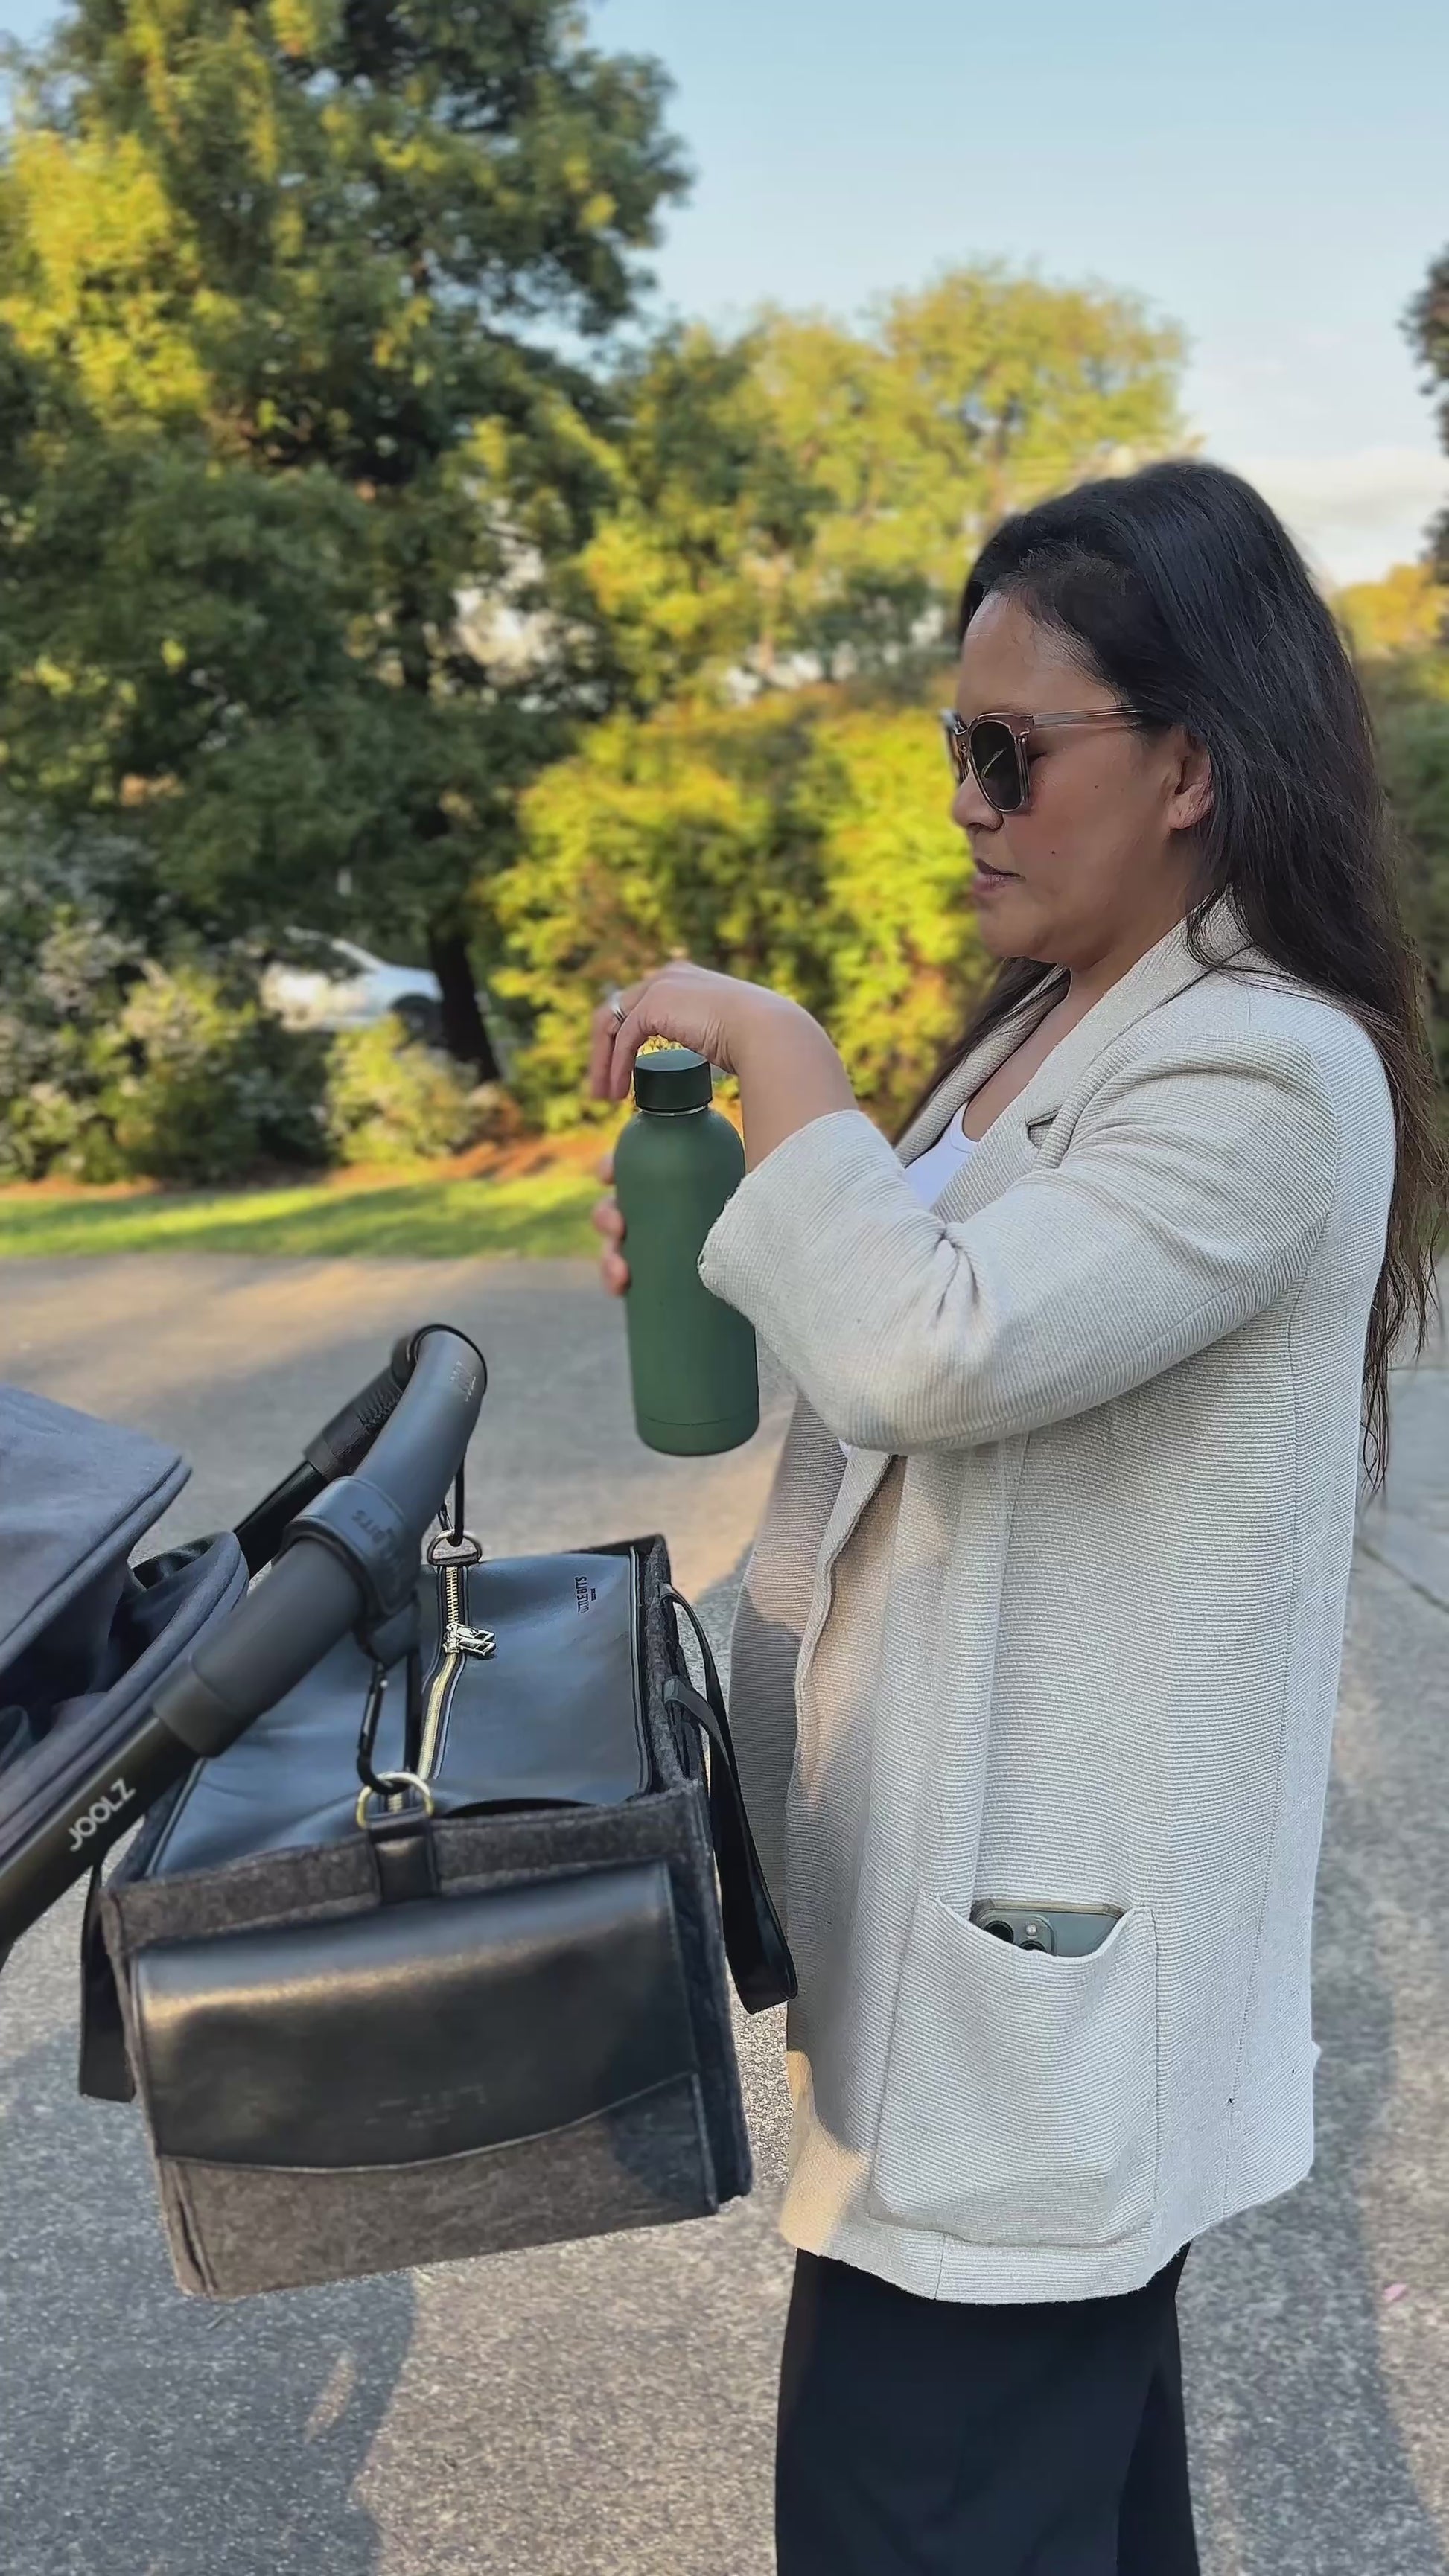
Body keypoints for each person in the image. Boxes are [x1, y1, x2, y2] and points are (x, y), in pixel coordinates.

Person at [587, 458, 1448, 2575]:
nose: (965, 798)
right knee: (1045, 2517)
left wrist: (782, 1065)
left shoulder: (1260, 1068)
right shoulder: (1053, 1030)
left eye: (1006, 747)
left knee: (917, 2517)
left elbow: (927, 1355)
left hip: (1041, 1981)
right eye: (950, 746)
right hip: (964, 1940)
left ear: (1186, 763)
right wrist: (745, 1238)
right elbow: (928, 1361)